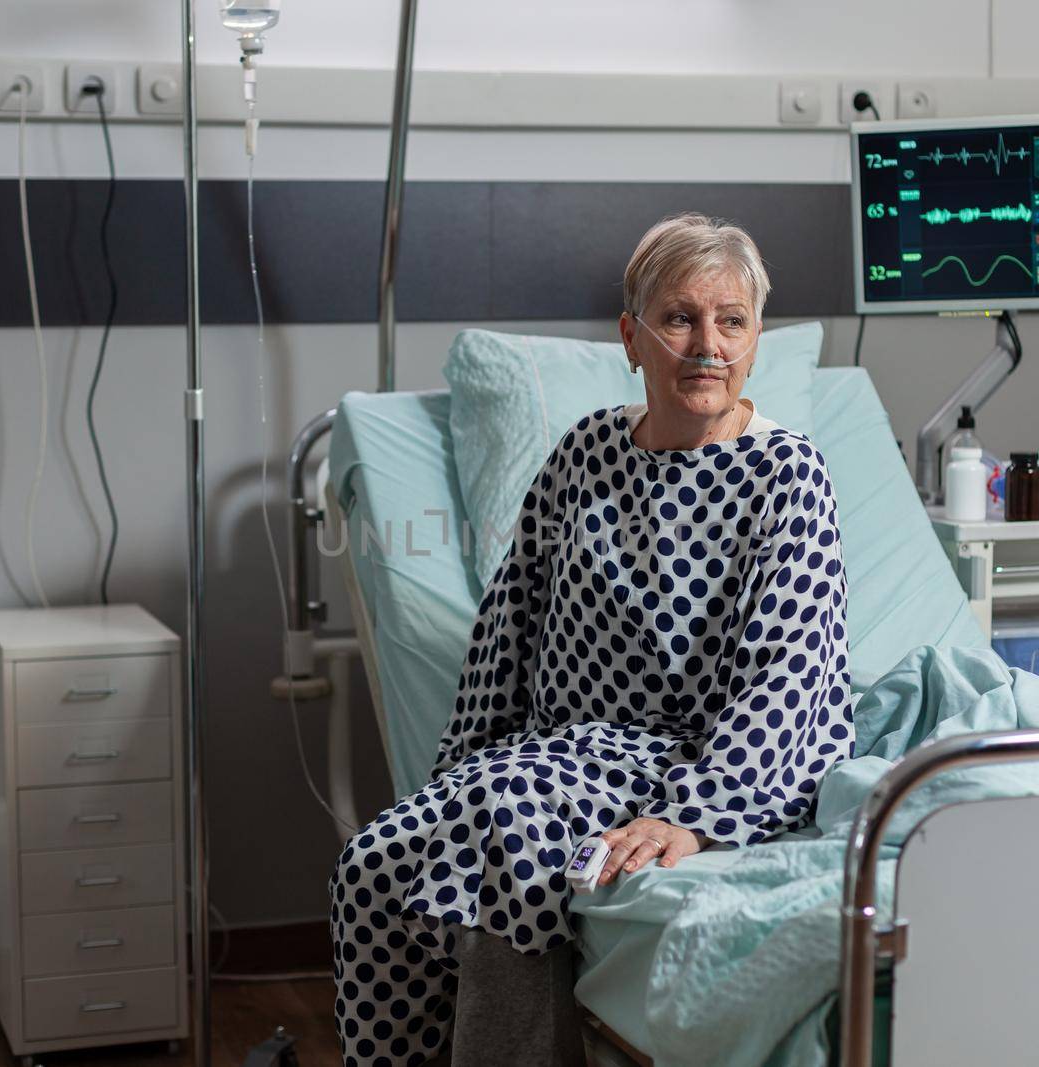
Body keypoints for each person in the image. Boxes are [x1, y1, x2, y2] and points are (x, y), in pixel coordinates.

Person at [330, 213, 854, 1067]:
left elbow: (790, 674)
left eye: (732, 321)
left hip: (692, 758)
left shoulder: (787, 475)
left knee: (509, 822)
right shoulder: (585, 453)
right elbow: (509, 619)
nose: (707, 345)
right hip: (555, 753)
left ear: (756, 341)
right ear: (632, 337)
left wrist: (697, 814)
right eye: (680, 318)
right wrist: (464, 765)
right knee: (369, 867)